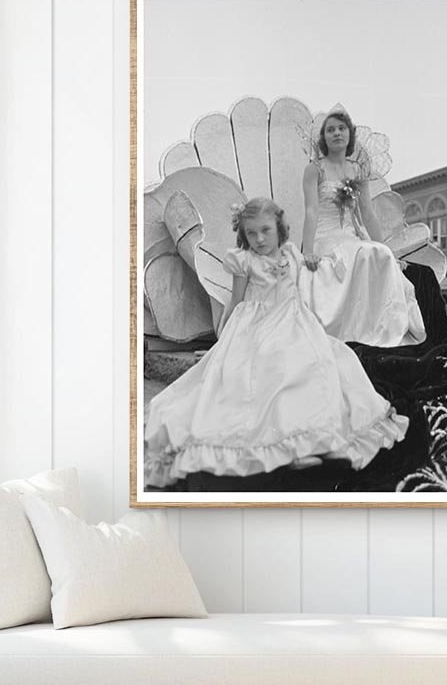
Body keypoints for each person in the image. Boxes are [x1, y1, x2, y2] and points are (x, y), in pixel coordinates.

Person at [144, 197, 409, 487]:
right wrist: (225, 333)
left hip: (292, 317)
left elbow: (306, 287)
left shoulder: (292, 254)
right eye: (251, 233)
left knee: (317, 363)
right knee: (255, 373)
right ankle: (277, 443)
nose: (259, 239)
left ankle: (311, 437)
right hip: (255, 323)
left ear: (279, 228)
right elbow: (237, 299)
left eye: (265, 231)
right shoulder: (243, 260)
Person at [300, 107, 426, 348]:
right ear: (323, 137)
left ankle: (380, 328)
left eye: (341, 128)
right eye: (330, 130)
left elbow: (367, 213)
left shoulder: (357, 170)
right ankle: (352, 329)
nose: (336, 133)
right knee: (362, 253)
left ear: (350, 134)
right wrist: (307, 251)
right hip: (325, 236)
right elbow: (311, 211)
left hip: (350, 235)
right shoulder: (314, 169)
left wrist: (389, 249)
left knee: (377, 253)